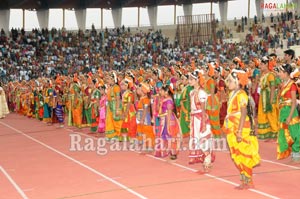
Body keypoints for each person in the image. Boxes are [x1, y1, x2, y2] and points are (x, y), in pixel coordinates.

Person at [223, 69, 260, 189]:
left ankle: (248, 180)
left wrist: (239, 131)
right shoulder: (232, 94)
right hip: (232, 127)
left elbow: (243, 113)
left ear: (237, 82)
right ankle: (244, 177)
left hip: (241, 127)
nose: (228, 83)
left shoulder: (242, 95)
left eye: (230, 81)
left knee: (243, 153)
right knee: (236, 153)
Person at [188, 70, 214, 173]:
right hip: (194, 118)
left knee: (202, 139)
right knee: (197, 139)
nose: (189, 81)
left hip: (200, 118)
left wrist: (203, 123)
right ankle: (206, 162)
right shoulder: (192, 92)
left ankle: (207, 164)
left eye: (191, 79)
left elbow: (203, 110)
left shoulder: (202, 93)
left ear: (197, 80)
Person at [276, 64, 300, 162]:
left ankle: (297, 155)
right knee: (286, 133)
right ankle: (292, 154)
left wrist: (290, 116)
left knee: (294, 133)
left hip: (291, 112)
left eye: (280, 72)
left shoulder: (292, 85)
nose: (279, 74)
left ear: (286, 73)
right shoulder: (283, 84)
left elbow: (294, 102)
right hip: (283, 112)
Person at [257, 56, 279, 141]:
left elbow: (273, 88)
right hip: (263, 97)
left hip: (269, 97)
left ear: (266, 64)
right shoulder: (263, 75)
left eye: (262, 64)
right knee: (263, 115)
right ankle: (267, 134)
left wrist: (270, 101)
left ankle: (275, 133)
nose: (260, 66)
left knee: (271, 115)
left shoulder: (270, 75)